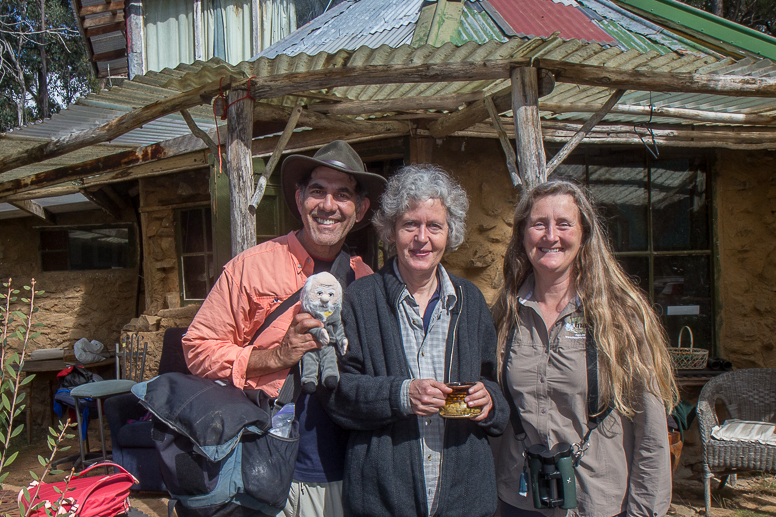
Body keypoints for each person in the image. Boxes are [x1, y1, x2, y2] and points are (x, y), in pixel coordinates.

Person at [182, 140, 387, 517]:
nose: (328, 205)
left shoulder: (365, 279)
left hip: (350, 466)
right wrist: (274, 357)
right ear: (298, 199)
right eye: (317, 191)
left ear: (360, 209)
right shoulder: (250, 268)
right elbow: (197, 348)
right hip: (267, 465)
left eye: (343, 194)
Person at [322, 164, 509, 517]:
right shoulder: (361, 300)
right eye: (410, 224)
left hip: (463, 501)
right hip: (383, 501)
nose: (422, 237)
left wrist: (490, 402)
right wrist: (401, 395)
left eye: (434, 226)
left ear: (449, 233)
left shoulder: (470, 302)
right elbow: (336, 394)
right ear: (392, 231)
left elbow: (496, 388)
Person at [493, 180, 678, 517]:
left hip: (598, 501)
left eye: (564, 223)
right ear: (523, 235)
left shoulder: (621, 316)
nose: (551, 235)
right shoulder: (505, 314)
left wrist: (645, 510)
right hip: (519, 500)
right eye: (539, 224)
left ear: (584, 234)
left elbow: (650, 430)